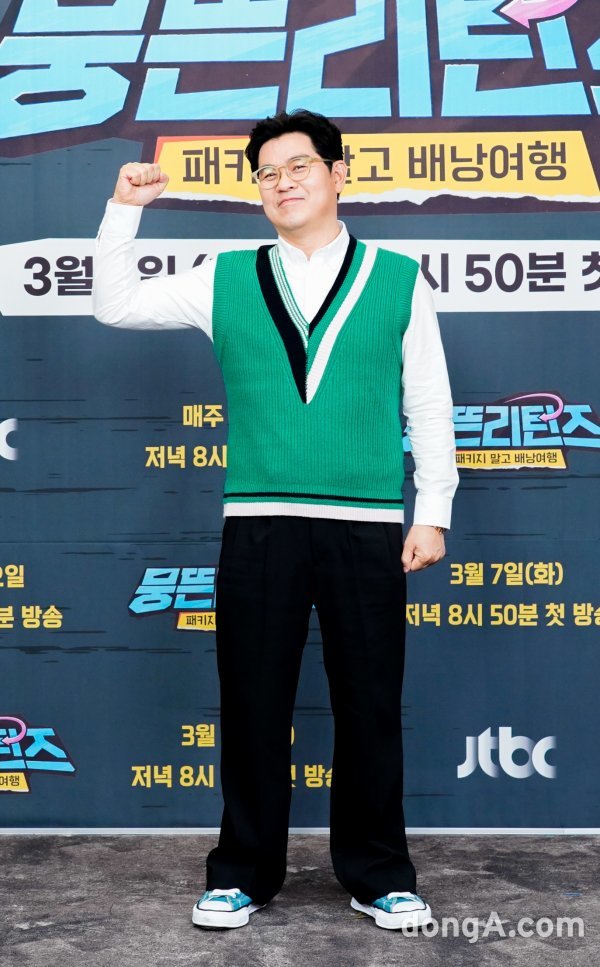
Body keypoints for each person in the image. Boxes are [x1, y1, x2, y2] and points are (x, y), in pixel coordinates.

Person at [93, 109, 458, 933]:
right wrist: (125, 208)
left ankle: (379, 872)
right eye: (267, 173)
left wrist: (432, 509)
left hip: (367, 522)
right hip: (259, 522)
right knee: (253, 701)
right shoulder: (223, 276)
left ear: (338, 173)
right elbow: (113, 305)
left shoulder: (398, 278)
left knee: (370, 704)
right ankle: (243, 872)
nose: (283, 182)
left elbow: (429, 402)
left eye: (299, 166)